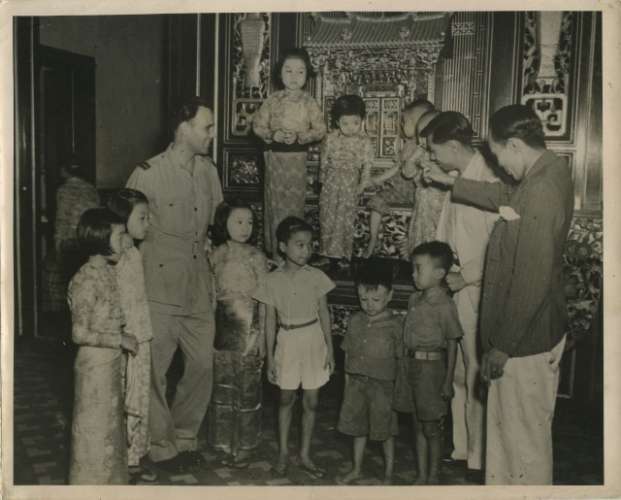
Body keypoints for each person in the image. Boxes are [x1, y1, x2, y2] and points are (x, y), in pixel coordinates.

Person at [424, 104, 574, 484]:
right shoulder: (545, 171)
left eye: (497, 153)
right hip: (531, 333)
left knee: (522, 445)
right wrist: (453, 184)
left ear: (515, 145)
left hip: (525, 341)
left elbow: (531, 279)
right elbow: (504, 194)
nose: (498, 164)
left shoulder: (540, 190)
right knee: (513, 439)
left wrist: (502, 345)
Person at [125, 97, 223, 472]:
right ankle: (160, 444)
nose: (212, 134)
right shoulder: (147, 173)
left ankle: (184, 436)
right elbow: (126, 232)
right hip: (160, 283)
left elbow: (212, 228)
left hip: (198, 283)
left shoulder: (209, 172)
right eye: (207, 127)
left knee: (202, 364)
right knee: (155, 369)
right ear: (184, 128)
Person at [420, 111, 499, 475]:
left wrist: (465, 276)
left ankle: (480, 457)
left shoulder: (488, 179)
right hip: (456, 286)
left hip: (479, 289)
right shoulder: (457, 179)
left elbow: (499, 246)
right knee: (458, 372)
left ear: (453, 146)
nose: (431, 156)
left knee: (477, 372)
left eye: (434, 150)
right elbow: (446, 233)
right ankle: (463, 448)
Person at [253, 216, 335, 479]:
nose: (306, 250)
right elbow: (268, 321)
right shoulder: (271, 280)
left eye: (310, 245)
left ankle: (305, 454)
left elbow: (325, 314)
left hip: (313, 340)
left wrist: (331, 350)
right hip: (286, 341)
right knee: (286, 399)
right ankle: (282, 454)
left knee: (311, 402)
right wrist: (269, 358)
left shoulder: (317, 277)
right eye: (299, 244)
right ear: (282, 246)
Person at [67, 208, 136, 484]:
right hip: (94, 368)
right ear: (100, 238)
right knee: (94, 430)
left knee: (110, 428)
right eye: (120, 235)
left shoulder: (108, 271)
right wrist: (118, 339)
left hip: (111, 364)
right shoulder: (84, 279)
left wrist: (122, 335)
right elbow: (78, 332)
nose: (125, 241)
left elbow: (108, 317)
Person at [206, 200, 269, 467]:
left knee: (248, 390)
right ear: (224, 223)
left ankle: (245, 445)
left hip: (250, 332)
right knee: (222, 387)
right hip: (221, 330)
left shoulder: (257, 257)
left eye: (250, 222)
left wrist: (263, 336)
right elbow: (210, 297)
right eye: (238, 222)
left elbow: (265, 300)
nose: (245, 228)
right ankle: (221, 444)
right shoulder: (215, 255)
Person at [252, 48, 327, 256]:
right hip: (274, 160)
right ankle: (275, 254)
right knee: (274, 205)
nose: (294, 77)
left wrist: (300, 137)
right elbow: (257, 126)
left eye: (300, 72)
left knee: (294, 206)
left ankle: (294, 254)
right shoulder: (272, 100)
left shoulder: (309, 102)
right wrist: (272, 134)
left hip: (297, 159)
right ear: (280, 73)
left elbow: (321, 129)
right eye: (289, 70)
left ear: (307, 74)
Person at [336, 261, 403, 485]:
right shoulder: (355, 320)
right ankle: (356, 468)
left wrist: (399, 390)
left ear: (389, 296)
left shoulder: (395, 325)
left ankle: (389, 473)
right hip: (356, 384)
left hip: (383, 387)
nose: (369, 305)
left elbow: (401, 359)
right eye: (363, 299)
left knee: (386, 431)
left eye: (376, 300)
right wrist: (347, 384)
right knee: (358, 429)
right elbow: (347, 354)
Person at [403, 241, 463, 484]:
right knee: (417, 425)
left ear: (439, 274)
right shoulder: (413, 300)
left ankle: (434, 476)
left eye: (418, 269)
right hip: (412, 368)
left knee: (431, 428)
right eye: (413, 268)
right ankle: (421, 475)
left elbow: (452, 343)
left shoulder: (445, 305)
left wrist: (447, 381)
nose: (413, 274)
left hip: (432, 372)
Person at [107, 188, 156, 483]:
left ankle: (134, 456)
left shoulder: (135, 253)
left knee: (140, 397)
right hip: (126, 339)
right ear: (122, 219)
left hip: (142, 335)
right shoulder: (116, 257)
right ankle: (123, 459)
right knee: (126, 397)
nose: (148, 223)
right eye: (142, 217)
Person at [364, 99, 442, 259]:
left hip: (413, 191)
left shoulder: (422, 148)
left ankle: (405, 242)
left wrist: (379, 179)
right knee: (376, 198)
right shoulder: (409, 145)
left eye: (405, 121)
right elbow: (397, 168)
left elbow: (406, 172)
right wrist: (378, 179)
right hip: (400, 188)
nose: (401, 125)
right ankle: (373, 237)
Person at [318, 95, 374, 267]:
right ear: (337, 122)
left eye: (355, 123)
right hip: (331, 183)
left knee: (346, 218)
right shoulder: (330, 138)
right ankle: (325, 253)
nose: (351, 128)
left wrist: (362, 185)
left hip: (350, 184)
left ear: (362, 121)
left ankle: (344, 255)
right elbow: (324, 160)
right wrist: (322, 180)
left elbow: (367, 165)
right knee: (327, 216)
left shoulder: (364, 141)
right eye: (345, 123)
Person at [52, 158, 100, 309]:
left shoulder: (64, 190)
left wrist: (57, 243)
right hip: (88, 239)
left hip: (70, 240)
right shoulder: (91, 188)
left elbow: (62, 219)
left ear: (65, 170)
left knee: (69, 282)